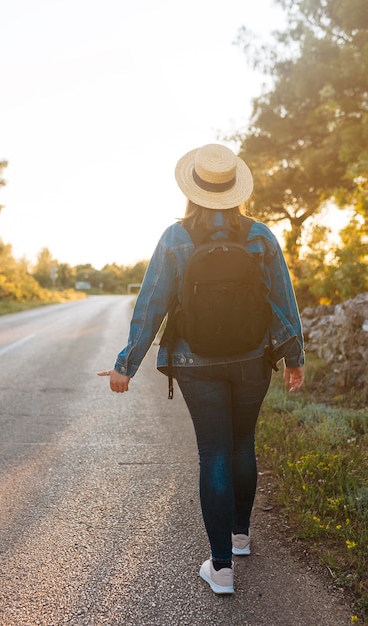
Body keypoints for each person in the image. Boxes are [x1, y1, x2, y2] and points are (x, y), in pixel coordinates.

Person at [98, 143, 305, 595]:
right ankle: (241, 538)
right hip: (253, 359)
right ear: (236, 189)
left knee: (213, 451)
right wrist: (295, 358)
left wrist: (125, 366)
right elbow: (282, 302)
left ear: (193, 190)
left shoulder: (176, 238)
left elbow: (151, 304)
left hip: (195, 360)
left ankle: (221, 567)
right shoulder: (260, 236)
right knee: (242, 444)